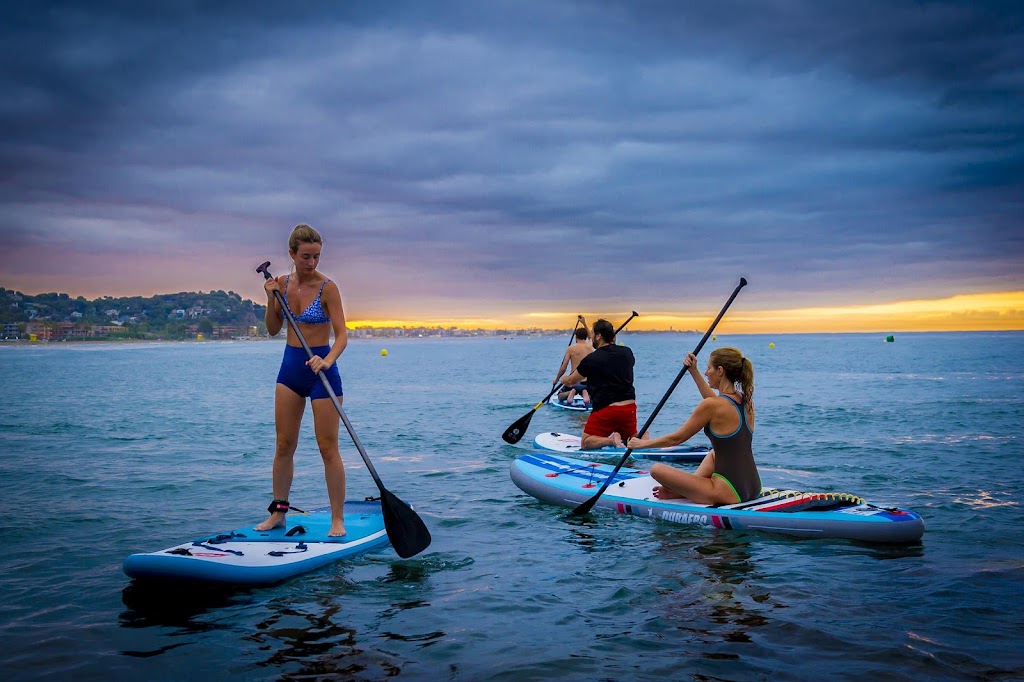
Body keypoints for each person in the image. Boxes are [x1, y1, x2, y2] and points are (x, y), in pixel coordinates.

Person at [255, 224, 349, 536]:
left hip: (322, 371)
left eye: (317, 256)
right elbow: (272, 329)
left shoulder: (328, 288)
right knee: (284, 445)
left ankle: (338, 519)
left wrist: (327, 360)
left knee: (328, 447)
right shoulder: (281, 284)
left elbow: (342, 335)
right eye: (306, 256)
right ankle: (278, 513)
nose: (312, 262)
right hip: (290, 370)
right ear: (292, 254)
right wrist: (271, 299)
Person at [626, 347, 760, 505]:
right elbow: (716, 402)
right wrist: (693, 371)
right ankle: (686, 490)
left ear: (720, 371)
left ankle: (683, 491)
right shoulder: (746, 401)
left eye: (709, 368)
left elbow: (677, 438)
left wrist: (642, 444)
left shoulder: (712, 405)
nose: (706, 372)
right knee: (714, 454)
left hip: (727, 492)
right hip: (753, 486)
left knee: (656, 469)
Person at [557, 318, 638, 449]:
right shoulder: (627, 352)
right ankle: (640, 438)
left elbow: (572, 381)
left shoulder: (591, 359)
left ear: (599, 336)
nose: (591, 336)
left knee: (586, 442)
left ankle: (612, 440)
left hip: (606, 409)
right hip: (629, 408)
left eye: (593, 333)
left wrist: (563, 379)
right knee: (630, 439)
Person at [553, 317, 593, 407]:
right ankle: (585, 392)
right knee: (594, 395)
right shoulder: (590, 347)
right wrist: (584, 323)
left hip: (573, 382)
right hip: (587, 382)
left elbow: (563, 368)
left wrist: (556, 379)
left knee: (560, 396)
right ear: (586, 336)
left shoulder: (570, 349)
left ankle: (571, 392)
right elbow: (591, 337)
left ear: (576, 337)